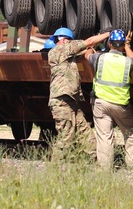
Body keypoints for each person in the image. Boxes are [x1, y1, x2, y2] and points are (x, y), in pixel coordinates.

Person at [47, 26, 110, 158]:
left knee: (86, 134)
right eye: (70, 40)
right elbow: (89, 42)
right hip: (62, 102)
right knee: (66, 138)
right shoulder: (60, 49)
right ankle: (55, 168)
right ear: (64, 40)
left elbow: (88, 50)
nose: (72, 43)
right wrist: (109, 34)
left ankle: (96, 164)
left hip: (70, 102)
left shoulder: (67, 54)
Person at [86, 29, 133, 169]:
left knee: (104, 136)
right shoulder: (128, 62)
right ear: (122, 45)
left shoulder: (99, 58)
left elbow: (87, 54)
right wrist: (127, 45)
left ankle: (105, 168)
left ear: (109, 44)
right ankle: (131, 165)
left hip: (101, 103)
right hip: (121, 105)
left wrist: (93, 46)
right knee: (129, 134)